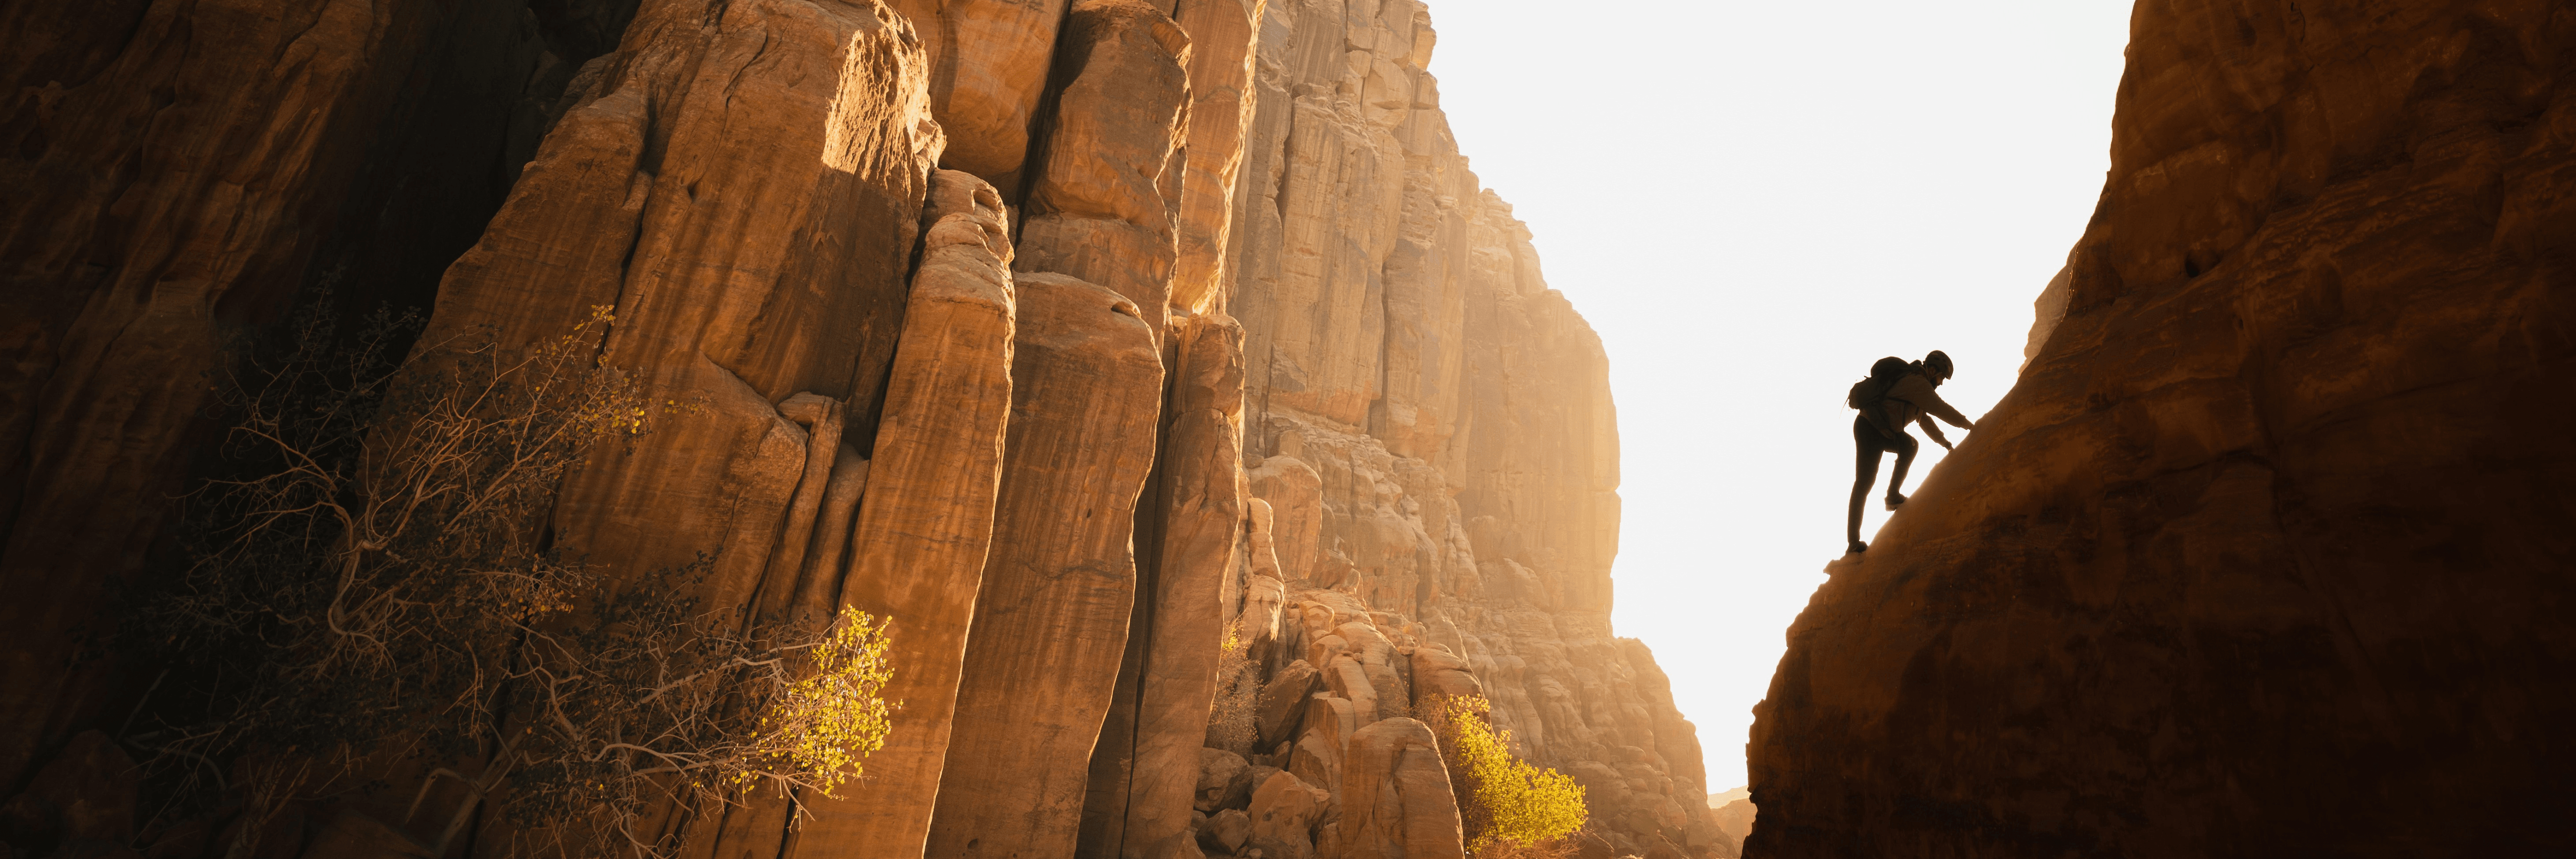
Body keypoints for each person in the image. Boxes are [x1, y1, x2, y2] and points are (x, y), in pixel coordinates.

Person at [1847, 350, 1975, 555]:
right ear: (1932, 370)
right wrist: (1969, 426)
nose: (1941, 383)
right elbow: (1940, 409)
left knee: (1911, 445)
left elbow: (1925, 420)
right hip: (1870, 428)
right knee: (1865, 483)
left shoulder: (1917, 387)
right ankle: (1854, 543)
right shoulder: (1917, 383)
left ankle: (1892, 496)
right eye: (1941, 377)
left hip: (1885, 431)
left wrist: (1945, 443)